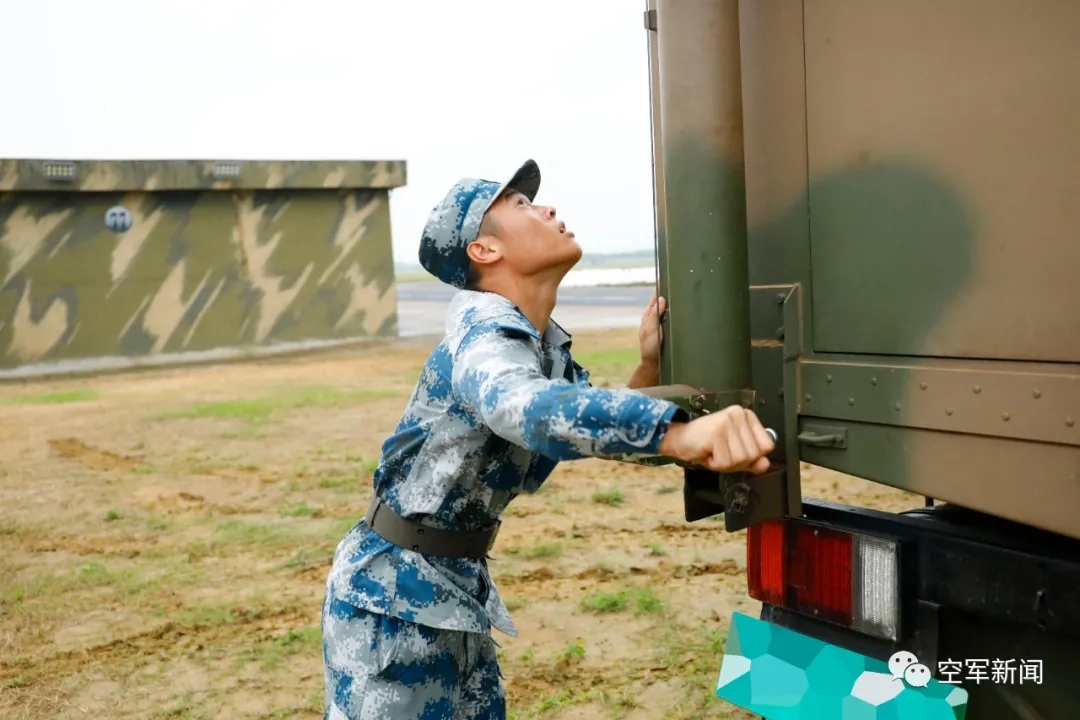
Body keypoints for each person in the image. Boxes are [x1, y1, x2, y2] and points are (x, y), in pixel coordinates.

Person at [320, 159, 775, 719]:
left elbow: (594, 432)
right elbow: (522, 407)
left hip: (451, 587)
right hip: (390, 600)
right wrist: (677, 433)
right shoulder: (484, 329)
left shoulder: (541, 347)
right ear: (484, 250)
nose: (547, 208)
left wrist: (649, 370)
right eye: (521, 205)